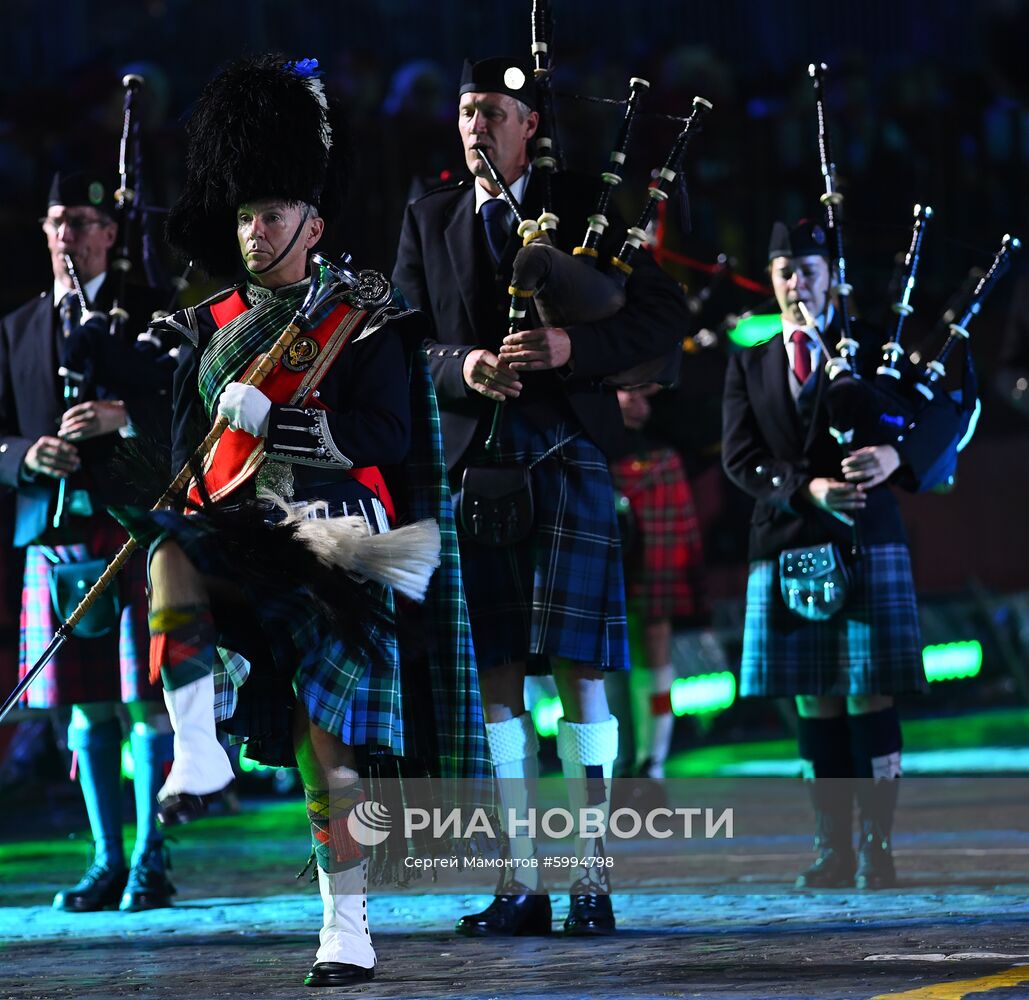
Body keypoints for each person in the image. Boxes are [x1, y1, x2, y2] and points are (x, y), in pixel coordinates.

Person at [128, 54, 487, 987]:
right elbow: (187, 462)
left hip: (340, 534)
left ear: (312, 222)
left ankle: (348, 923)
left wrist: (280, 418)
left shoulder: (362, 318)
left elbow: (387, 432)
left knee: (327, 748)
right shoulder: (208, 328)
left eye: (274, 215)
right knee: (170, 555)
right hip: (243, 528)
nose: (256, 231)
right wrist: (179, 490)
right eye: (246, 215)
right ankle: (197, 750)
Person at [393, 56, 690, 937]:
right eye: (464, 110)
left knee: (579, 679)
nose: (475, 125)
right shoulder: (429, 215)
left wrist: (571, 351)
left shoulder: (589, 214)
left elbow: (661, 318)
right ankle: (520, 883)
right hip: (474, 474)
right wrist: (462, 366)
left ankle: (590, 881)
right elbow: (400, 342)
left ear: (529, 125)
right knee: (493, 686)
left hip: (565, 461)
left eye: (491, 110)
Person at [722, 218, 959, 890]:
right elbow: (740, 458)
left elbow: (942, 411)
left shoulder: (871, 350)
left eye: (808, 271)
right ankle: (831, 851)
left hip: (863, 537)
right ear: (771, 280)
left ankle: (876, 849)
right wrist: (808, 488)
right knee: (813, 701)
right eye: (784, 273)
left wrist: (895, 455)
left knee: (866, 696)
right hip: (790, 535)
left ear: (831, 278)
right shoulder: (751, 360)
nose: (797, 284)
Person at [0, 171, 178, 912]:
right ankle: (105, 859)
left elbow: (191, 413)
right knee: (86, 707)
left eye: (82, 221)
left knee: (141, 703)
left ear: (110, 234)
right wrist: (28, 455)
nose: (66, 236)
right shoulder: (18, 328)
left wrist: (121, 416)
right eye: (56, 221)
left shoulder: (148, 314)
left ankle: (152, 857)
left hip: (131, 527)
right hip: (54, 532)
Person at [610, 387, 706, 789]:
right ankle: (618, 765)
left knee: (654, 628)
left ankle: (652, 767)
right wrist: (607, 404)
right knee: (601, 637)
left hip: (658, 461)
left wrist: (653, 402)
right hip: (593, 463)